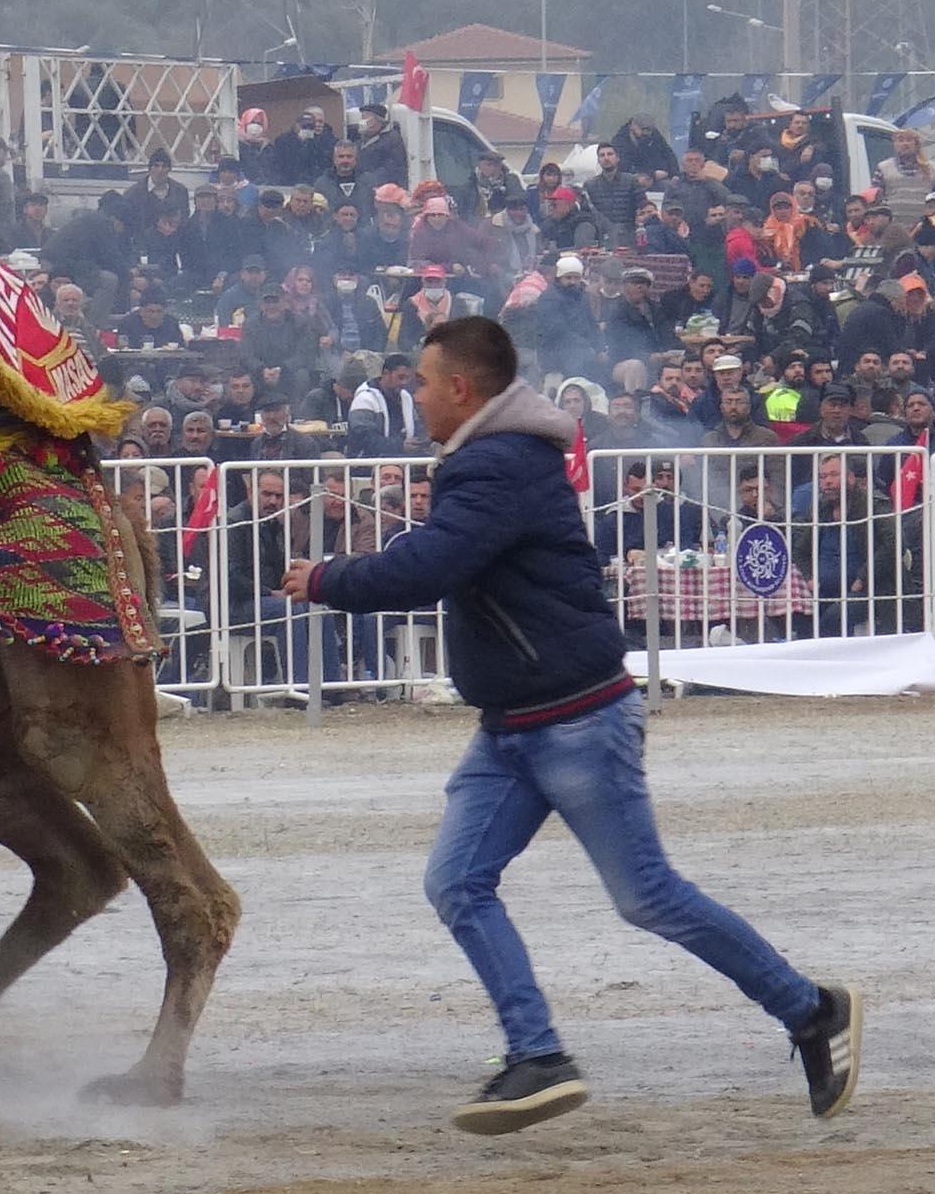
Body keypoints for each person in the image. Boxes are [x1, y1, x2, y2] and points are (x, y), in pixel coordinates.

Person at [281, 316, 862, 1133]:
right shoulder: (493, 458)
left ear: (460, 387)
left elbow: (432, 565)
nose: (412, 392)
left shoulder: (497, 463)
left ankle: (812, 1011)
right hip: (513, 721)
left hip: (576, 717)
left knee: (647, 897)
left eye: (421, 379)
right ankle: (537, 1055)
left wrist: (326, 576)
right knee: (457, 882)